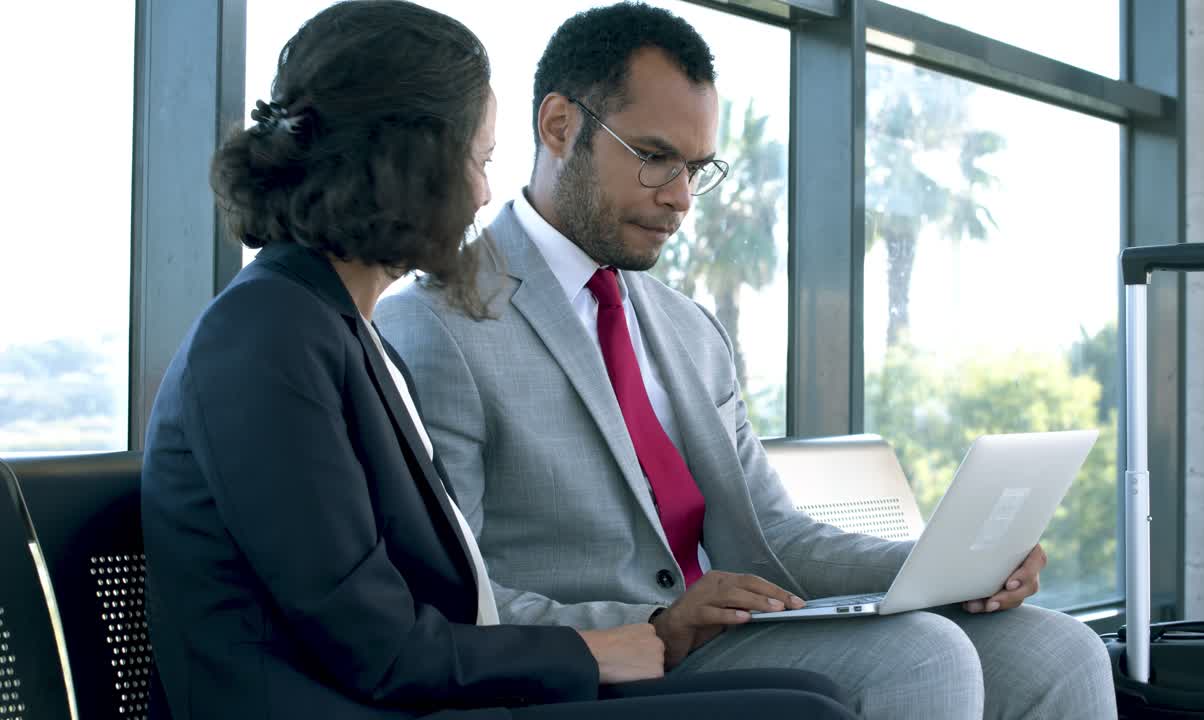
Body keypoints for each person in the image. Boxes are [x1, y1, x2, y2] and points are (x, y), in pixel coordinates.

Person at [372, 3, 1118, 719]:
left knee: (1061, 649)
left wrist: (944, 567)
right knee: (920, 657)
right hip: (610, 660)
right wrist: (659, 618)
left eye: (697, 168)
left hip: (730, 636)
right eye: (655, 157)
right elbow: (455, 594)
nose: (681, 198)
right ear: (561, 126)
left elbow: (776, 536)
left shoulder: (687, 328)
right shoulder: (439, 322)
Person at [140, 2, 854, 718]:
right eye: (476, 161)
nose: (483, 193)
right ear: (404, 163)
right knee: (802, 712)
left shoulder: (333, 329)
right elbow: (375, 646)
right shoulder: (267, 336)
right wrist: (592, 650)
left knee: (809, 695)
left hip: (421, 694)